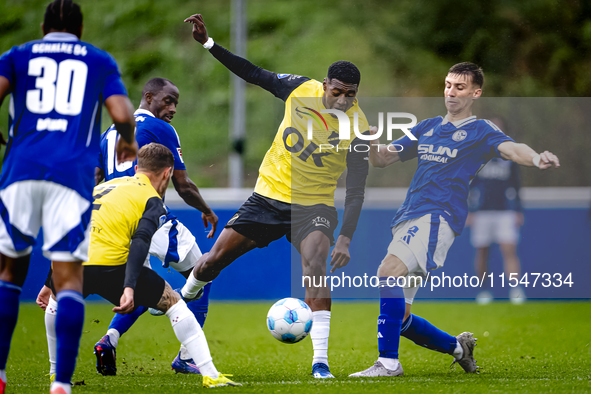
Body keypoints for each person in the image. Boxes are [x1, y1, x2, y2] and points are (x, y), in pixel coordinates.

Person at [182, 13, 370, 378]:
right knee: (211, 263)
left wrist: (345, 236)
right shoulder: (300, 89)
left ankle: (320, 363)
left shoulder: (359, 127)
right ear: (325, 84)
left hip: (313, 205)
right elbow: (254, 73)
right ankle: (181, 298)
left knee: (315, 265)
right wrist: (208, 44)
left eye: (351, 95)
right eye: (337, 92)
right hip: (268, 197)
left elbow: (358, 187)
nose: (343, 100)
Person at [350, 62, 560, 377]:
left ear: (476, 93)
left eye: (460, 87)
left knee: (387, 271)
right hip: (409, 215)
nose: (451, 92)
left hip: (438, 216)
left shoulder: (481, 130)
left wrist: (535, 157)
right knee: (401, 316)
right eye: (448, 85)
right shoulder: (426, 127)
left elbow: (511, 149)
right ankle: (459, 347)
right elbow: (382, 159)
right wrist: (366, 141)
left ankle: (388, 363)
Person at [37, 77, 217, 377]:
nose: (172, 108)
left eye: (176, 103)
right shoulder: (160, 129)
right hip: (149, 215)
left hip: (114, 223)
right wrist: (207, 210)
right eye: (167, 100)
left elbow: (95, 177)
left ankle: (108, 340)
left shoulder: (109, 132)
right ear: (149, 97)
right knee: (203, 273)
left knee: (139, 285)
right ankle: (188, 356)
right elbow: (182, 184)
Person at [0, 1, 137, 394]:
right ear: (80, 29)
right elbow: (122, 112)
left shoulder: (18, 55)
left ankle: (0, 372)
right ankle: (61, 383)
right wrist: (126, 142)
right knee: (69, 278)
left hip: (20, 170)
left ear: (43, 26)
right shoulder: (97, 59)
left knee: (9, 273)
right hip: (71, 178)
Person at [44, 143, 239, 388]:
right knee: (173, 302)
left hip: (72, 263)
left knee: (54, 303)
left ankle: (55, 373)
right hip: (111, 266)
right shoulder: (152, 200)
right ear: (167, 173)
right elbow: (141, 241)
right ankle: (210, 374)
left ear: (136, 168)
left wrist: (49, 281)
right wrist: (128, 287)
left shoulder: (101, 187)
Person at [466, 117, 525, 305]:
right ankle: (484, 291)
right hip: (481, 211)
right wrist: (468, 210)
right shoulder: (477, 154)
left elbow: (516, 183)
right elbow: (468, 183)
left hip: (504, 210)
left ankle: (516, 290)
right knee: (482, 251)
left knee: (509, 249)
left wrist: (518, 209)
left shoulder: (510, 154)